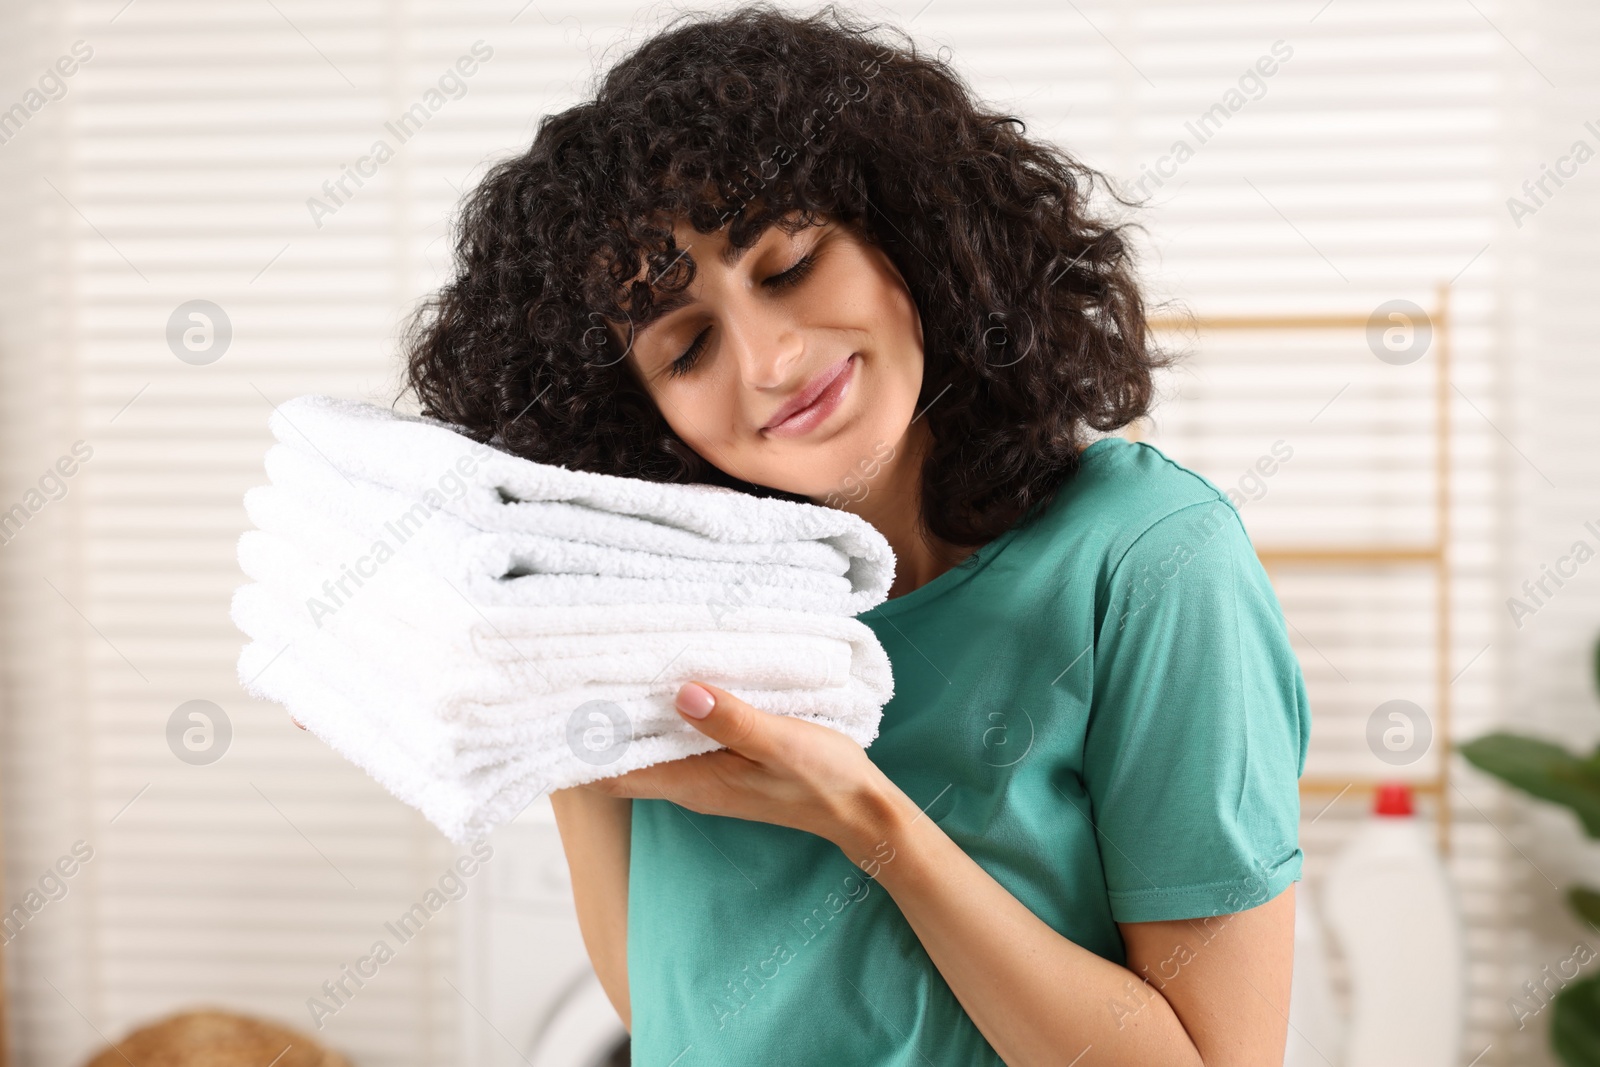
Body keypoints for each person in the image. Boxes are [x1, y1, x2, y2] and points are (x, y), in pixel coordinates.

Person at [401, 5, 1309, 1064]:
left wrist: (871, 824)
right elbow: (667, 1003)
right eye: (687, 345)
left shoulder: (1144, 560)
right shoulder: (638, 599)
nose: (773, 362)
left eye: (786, 266)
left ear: (911, 229)